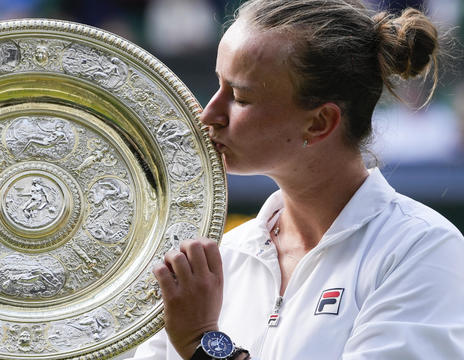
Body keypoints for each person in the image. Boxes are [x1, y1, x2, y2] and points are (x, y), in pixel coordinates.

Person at [130, 0, 464, 359]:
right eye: (218, 84)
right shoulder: (219, 257)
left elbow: (198, 342)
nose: (209, 112)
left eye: (240, 97)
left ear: (319, 123)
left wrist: (202, 344)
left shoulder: (423, 249)